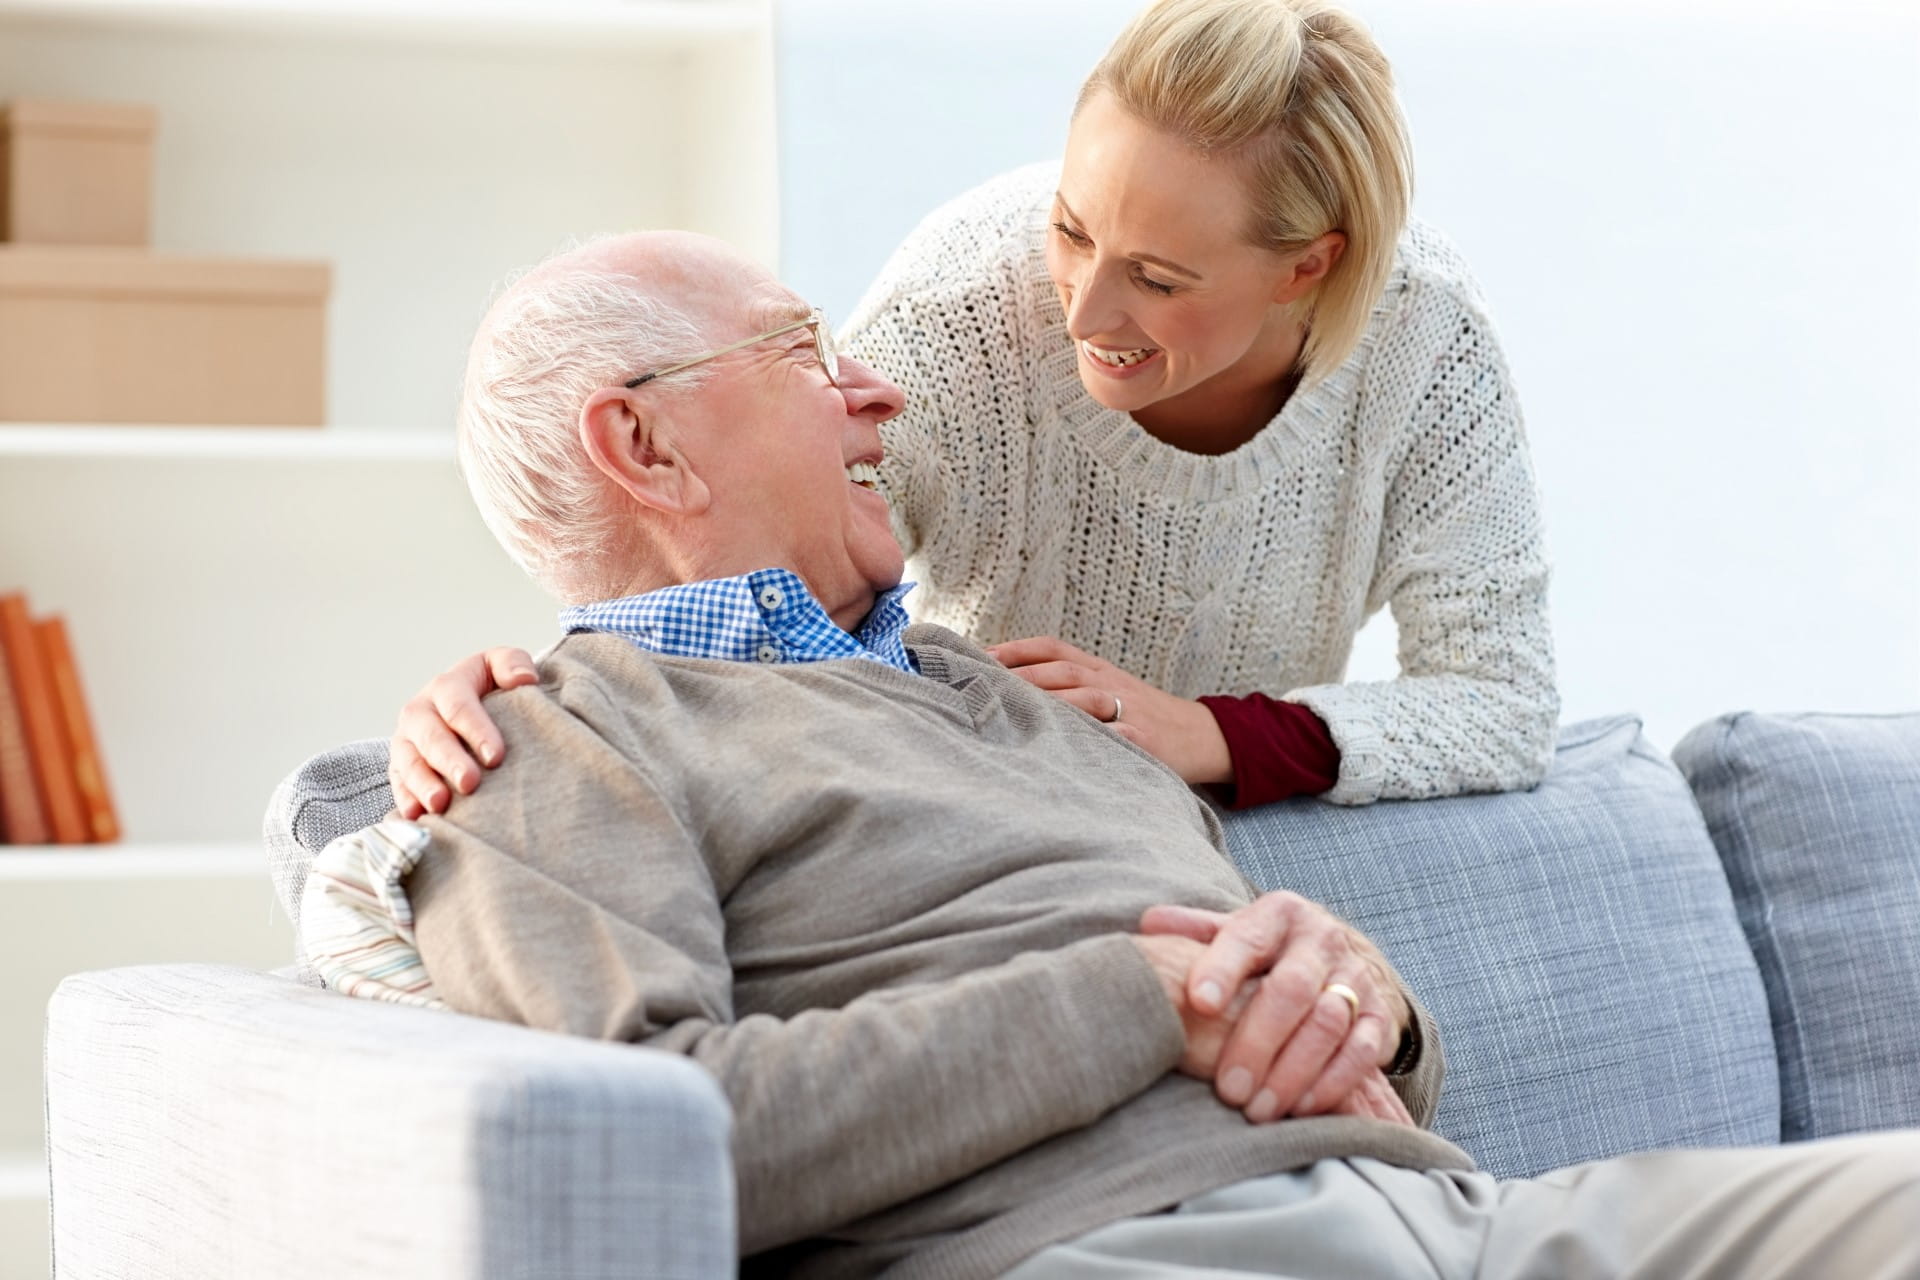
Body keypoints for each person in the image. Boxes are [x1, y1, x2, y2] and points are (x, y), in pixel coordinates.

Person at [321, 228, 1918, 1280]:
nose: (877, 385)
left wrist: (1362, 990)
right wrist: (1139, 999)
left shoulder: (1027, 692)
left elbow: (1284, 980)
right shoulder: (544, 749)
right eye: (802, 350)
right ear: (639, 441)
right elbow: (651, 1149)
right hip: (1122, 1250)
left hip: (1468, 1225)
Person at [382, 0, 1559, 822]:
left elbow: (1502, 702)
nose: (1086, 302)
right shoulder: (965, 303)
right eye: (1073, 226)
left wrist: (1215, 734)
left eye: (1158, 277)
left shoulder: (1426, 343)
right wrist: (538, 699)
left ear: (1308, 267)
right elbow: (750, 550)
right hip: (984, 798)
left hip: (1214, 829)